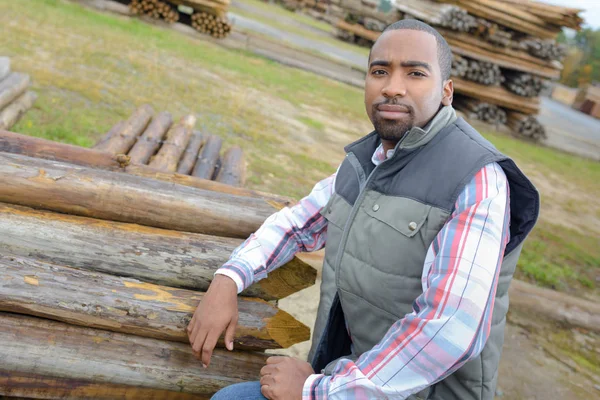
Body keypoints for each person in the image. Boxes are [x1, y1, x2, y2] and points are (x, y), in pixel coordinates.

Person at [187, 19, 539, 400]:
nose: (392, 87)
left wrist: (316, 392)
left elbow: (450, 328)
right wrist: (228, 279)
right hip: (347, 378)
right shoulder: (369, 161)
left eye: (415, 73)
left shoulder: (477, 179)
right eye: (380, 71)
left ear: (446, 91)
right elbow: (295, 224)